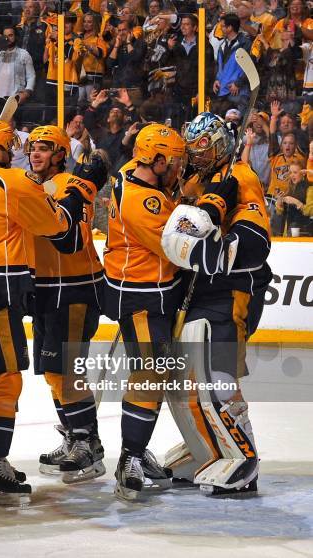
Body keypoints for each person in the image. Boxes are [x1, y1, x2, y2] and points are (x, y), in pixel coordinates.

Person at [0, 119, 93, 505]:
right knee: (5, 381)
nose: (26, 153)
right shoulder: (14, 183)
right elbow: (59, 228)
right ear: (1, 151)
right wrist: (75, 195)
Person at [161, 112, 272, 496]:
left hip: (232, 289)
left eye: (203, 150)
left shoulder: (240, 177)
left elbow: (256, 242)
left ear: (220, 145)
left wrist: (211, 251)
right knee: (181, 379)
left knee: (216, 377)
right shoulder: (196, 181)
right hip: (199, 290)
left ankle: (241, 458)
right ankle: (205, 448)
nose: (197, 157)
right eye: (192, 150)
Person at [103, 123, 187, 500]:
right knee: (149, 376)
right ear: (154, 159)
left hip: (146, 291)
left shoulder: (133, 177)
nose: (177, 167)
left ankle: (135, 451)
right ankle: (130, 458)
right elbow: (176, 245)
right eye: (173, 161)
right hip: (141, 295)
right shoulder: (143, 201)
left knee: (152, 376)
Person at [25, 125, 108, 483]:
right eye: (32, 149)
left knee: (67, 372)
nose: (35, 155)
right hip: (48, 288)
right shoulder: (41, 186)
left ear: (60, 154)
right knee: (55, 373)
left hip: (74, 289)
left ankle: (88, 445)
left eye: (44, 149)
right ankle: (75, 434)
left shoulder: (64, 188)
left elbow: (70, 239)